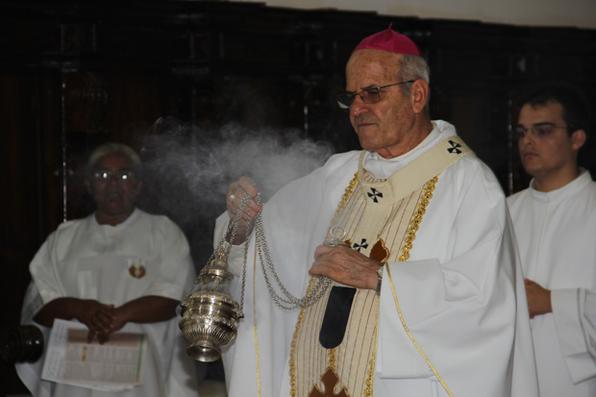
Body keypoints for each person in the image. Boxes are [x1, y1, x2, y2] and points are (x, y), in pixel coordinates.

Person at [216, 27, 538, 396]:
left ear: (416, 95)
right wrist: (242, 222)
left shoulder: (468, 184)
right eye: (351, 97)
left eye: (372, 93)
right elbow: (263, 248)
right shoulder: (337, 175)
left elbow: (485, 305)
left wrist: (382, 278)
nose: (357, 109)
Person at [15, 142, 199, 397]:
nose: (113, 184)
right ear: (89, 185)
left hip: (143, 374)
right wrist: (82, 309)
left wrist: (121, 314)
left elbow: (175, 297)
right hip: (74, 372)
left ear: (138, 186)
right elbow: (40, 305)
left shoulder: (163, 232)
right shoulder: (63, 238)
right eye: (103, 176)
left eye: (123, 175)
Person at [508, 83, 596, 397]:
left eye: (543, 130)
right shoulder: (502, 211)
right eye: (521, 132)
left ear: (577, 138)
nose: (528, 141)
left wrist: (552, 301)